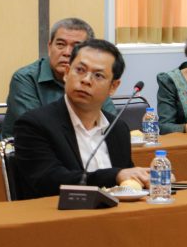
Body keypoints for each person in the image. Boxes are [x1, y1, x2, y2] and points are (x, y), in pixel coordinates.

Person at [14, 39, 150, 199]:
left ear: (113, 87)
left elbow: (127, 184)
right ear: (66, 73)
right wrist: (115, 176)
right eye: (80, 70)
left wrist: (148, 180)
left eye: (98, 75)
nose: (86, 80)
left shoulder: (117, 128)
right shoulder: (34, 124)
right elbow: (48, 181)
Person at [4, 17, 115, 138]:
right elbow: (36, 127)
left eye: (75, 47)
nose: (67, 52)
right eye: (60, 45)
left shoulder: (93, 80)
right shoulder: (25, 78)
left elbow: (111, 124)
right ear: (49, 47)